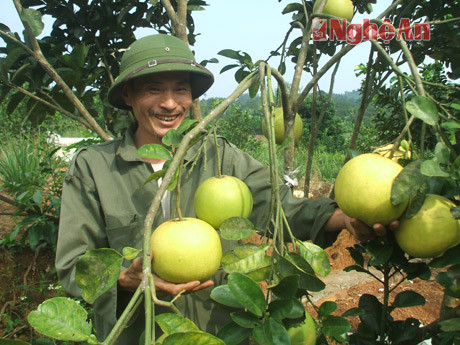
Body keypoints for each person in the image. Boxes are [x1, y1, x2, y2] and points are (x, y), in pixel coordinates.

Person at [55, 34, 397, 344]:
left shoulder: (220, 157)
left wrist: (344, 217)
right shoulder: (94, 168)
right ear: (128, 95)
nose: (170, 103)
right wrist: (123, 278)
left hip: (218, 331)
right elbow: (74, 266)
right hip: (136, 334)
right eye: (154, 88)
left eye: (181, 89)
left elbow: (281, 209)